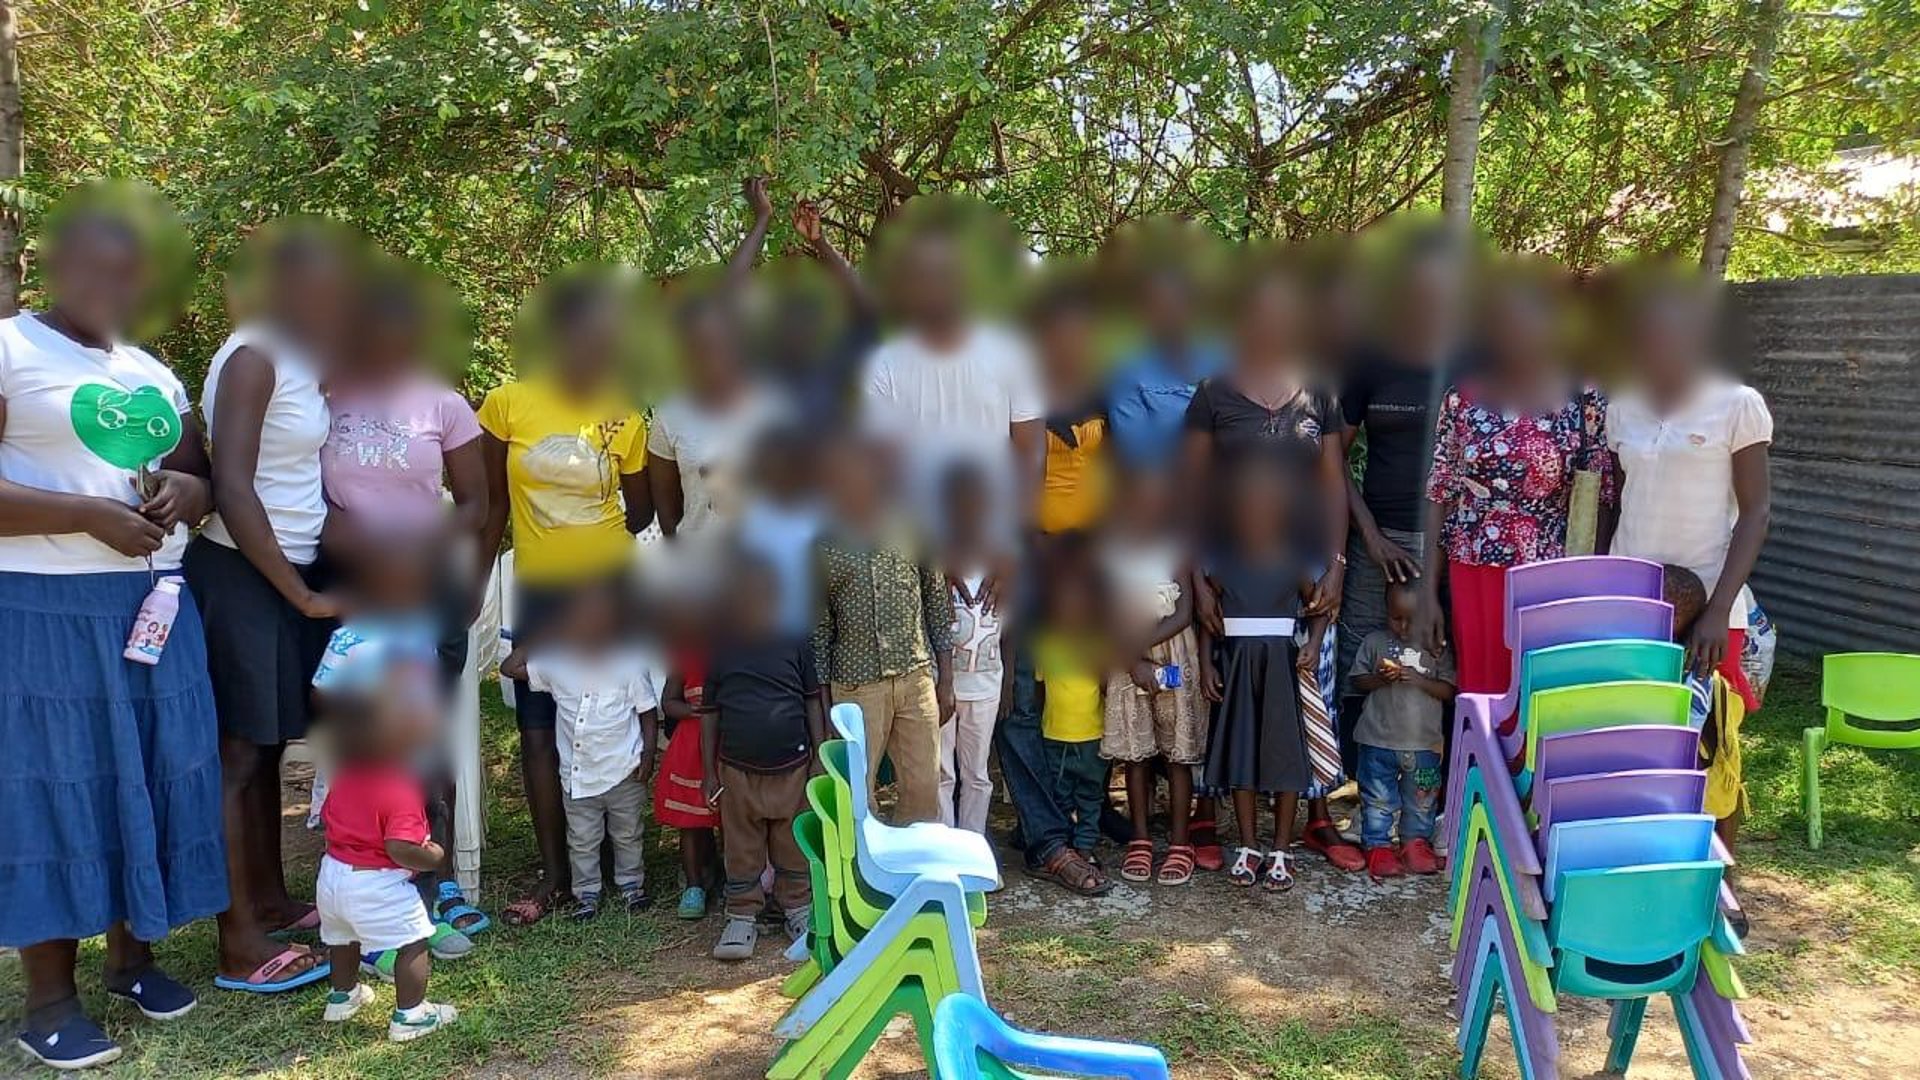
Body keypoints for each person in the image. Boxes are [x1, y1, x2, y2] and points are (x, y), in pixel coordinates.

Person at [0, 185, 226, 1069]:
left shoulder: (150, 372)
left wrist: (187, 493)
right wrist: (85, 517)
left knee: (154, 773)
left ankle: (136, 959)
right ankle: (49, 997)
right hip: (40, 609)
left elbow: (195, 477)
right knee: (55, 788)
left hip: (151, 606)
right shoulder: (13, 349)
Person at [187, 219, 352, 994]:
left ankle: (270, 899)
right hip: (244, 571)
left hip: (284, 569)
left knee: (266, 748)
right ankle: (238, 943)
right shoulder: (252, 355)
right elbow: (232, 487)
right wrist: (298, 594)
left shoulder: (292, 354)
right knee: (239, 756)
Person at [320, 258, 490, 945]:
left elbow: (476, 503)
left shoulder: (444, 403)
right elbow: (313, 500)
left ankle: (435, 876)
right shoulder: (327, 398)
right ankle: (361, 871)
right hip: (356, 586)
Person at [477, 269, 653, 926]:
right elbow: (493, 509)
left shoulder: (625, 413)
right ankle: (558, 874)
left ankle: (624, 859)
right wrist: (473, 586)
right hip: (540, 592)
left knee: (618, 710)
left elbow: (638, 512)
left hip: (608, 587)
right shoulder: (507, 404)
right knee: (537, 730)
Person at [1182, 252, 1360, 874]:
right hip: (1233, 571)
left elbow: (1334, 483)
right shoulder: (1215, 392)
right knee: (1238, 697)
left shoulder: (1318, 390)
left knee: (1307, 689)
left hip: (1305, 569)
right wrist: (1195, 579)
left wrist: (1336, 564)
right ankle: (1232, 828)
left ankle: (1308, 824)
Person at [1415, 266, 1615, 694]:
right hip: (1472, 562)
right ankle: (1479, 764)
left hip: (1548, 570)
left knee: (1538, 692)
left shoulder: (1582, 397)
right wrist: (1427, 592)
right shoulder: (1463, 397)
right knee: (1482, 687)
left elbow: (1599, 496)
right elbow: (1440, 492)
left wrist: (1589, 582)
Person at [1602, 268, 1771, 712]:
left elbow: (1756, 513)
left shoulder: (1738, 405)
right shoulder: (1621, 408)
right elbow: (1623, 504)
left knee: (1704, 741)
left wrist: (1718, 611)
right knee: (1628, 720)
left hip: (1711, 608)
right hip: (1631, 598)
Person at [310, 626, 459, 1044]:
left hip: (332, 877)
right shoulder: (399, 785)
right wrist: (434, 855)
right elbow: (400, 846)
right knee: (414, 941)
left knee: (342, 939)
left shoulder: (348, 775)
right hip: (376, 883)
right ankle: (411, 1015)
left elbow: (328, 818)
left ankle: (343, 997)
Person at [1336, 231, 1463, 720]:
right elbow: (1332, 456)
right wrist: (1369, 536)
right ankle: (1357, 776)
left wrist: (1444, 550)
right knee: (1361, 651)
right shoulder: (1370, 359)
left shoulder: (1466, 362)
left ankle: (1439, 781)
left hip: (1449, 542)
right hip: (1378, 540)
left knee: (1443, 652)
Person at [1198, 459, 1330, 893]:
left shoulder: (1293, 565)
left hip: (1280, 671)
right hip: (1237, 670)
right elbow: (1206, 619)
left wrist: (1312, 644)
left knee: (1283, 758)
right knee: (1242, 755)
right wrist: (1205, 663)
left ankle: (1281, 848)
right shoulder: (1225, 567)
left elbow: (1320, 610)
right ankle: (1249, 845)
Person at [810, 434, 953, 824]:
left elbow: (935, 597)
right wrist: (824, 706)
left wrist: (946, 680)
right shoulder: (823, 544)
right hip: (855, 687)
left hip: (915, 678)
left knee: (924, 789)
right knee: (858, 795)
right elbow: (819, 630)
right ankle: (863, 878)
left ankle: (916, 875)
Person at [500, 582, 658, 919]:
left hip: (623, 770)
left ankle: (632, 886)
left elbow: (647, 711)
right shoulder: (557, 663)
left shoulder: (629, 664)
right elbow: (509, 668)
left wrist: (647, 755)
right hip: (579, 775)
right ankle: (587, 894)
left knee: (628, 834)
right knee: (582, 839)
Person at [703, 556, 827, 961]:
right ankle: (741, 917)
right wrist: (709, 772)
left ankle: (798, 910)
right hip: (736, 769)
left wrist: (819, 756)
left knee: (791, 843)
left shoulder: (795, 640)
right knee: (741, 846)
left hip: (792, 767)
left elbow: (812, 702)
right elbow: (710, 715)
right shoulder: (722, 648)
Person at [1100, 465, 1207, 886]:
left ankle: (1180, 843)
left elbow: (1184, 612)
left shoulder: (1176, 549)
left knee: (1176, 755)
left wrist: (1145, 650)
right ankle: (1141, 839)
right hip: (1126, 658)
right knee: (1135, 753)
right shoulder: (1114, 551)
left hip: (1172, 656)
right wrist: (1133, 660)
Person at [1346, 581, 1456, 880]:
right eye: (1396, 618)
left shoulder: (1436, 648)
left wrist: (1418, 680)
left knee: (1422, 798)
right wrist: (1381, 678)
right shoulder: (1374, 642)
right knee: (1377, 798)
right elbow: (1357, 682)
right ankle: (1378, 845)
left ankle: (1415, 843)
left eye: (1413, 618)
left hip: (1426, 746)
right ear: (1386, 612)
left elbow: (1449, 690)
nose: (1404, 626)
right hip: (1376, 740)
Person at [940, 461, 1010, 836]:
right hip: (942, 687)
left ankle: (972, 850)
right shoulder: (935, 560)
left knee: (977, 774)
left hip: (985, 686)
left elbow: (1010, 627)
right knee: (941, 773)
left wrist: (1010, 678)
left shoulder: (1002, 562)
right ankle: (943, 855)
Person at [1031, 543, 1110, 860]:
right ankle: (1064, 848)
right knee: (1059, 795)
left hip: (1092, 738)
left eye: (1078, 606)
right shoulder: (1046, 645)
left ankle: (1086, 846)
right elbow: (1039, 689)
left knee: (1091, 796)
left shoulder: (1098, 644)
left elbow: (1106, 686)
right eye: (1063, 607)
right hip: (1055, 737)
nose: (1070, 613)